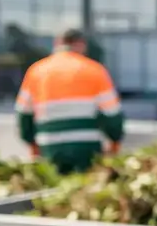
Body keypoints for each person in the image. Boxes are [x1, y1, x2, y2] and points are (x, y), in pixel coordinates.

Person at [15, 28, 125, 174]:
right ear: (81, 44)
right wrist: (115, 141)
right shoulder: (94, 70)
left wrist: (32, 143)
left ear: (57, 43)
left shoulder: (36, 71)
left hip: (49, 145)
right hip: (86, 147)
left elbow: (23, 114)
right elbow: (112, 114)